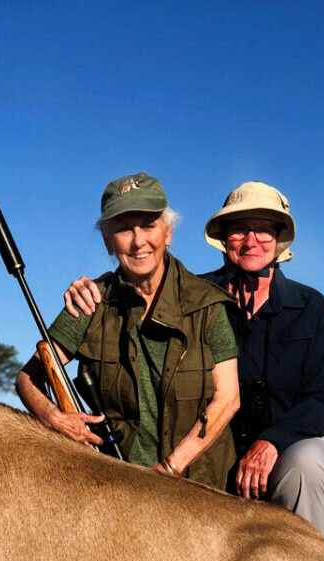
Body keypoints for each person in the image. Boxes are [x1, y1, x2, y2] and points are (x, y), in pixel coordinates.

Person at [63, 182, 324, 540]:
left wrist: (270, 442)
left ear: (278, 238)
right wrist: (95, 288)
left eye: (263, 230)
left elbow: (321, 401)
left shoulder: (310, 305)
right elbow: (141, 287)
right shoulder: (195, 296)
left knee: (306, 465)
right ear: (225, 239)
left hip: (295, 442)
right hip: (216, 446)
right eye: (240, 230)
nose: (251, 240)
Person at [15, 172, 240, 490]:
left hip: (199, 488)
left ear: (168, 233)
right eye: (123, 228)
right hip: (116, 485)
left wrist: (169, 470)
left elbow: (228, 399)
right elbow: (28, 377)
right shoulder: (90, 301)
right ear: (107, 240)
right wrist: (53, 417)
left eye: (149, 225)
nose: (138, 242)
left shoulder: (208, 304)